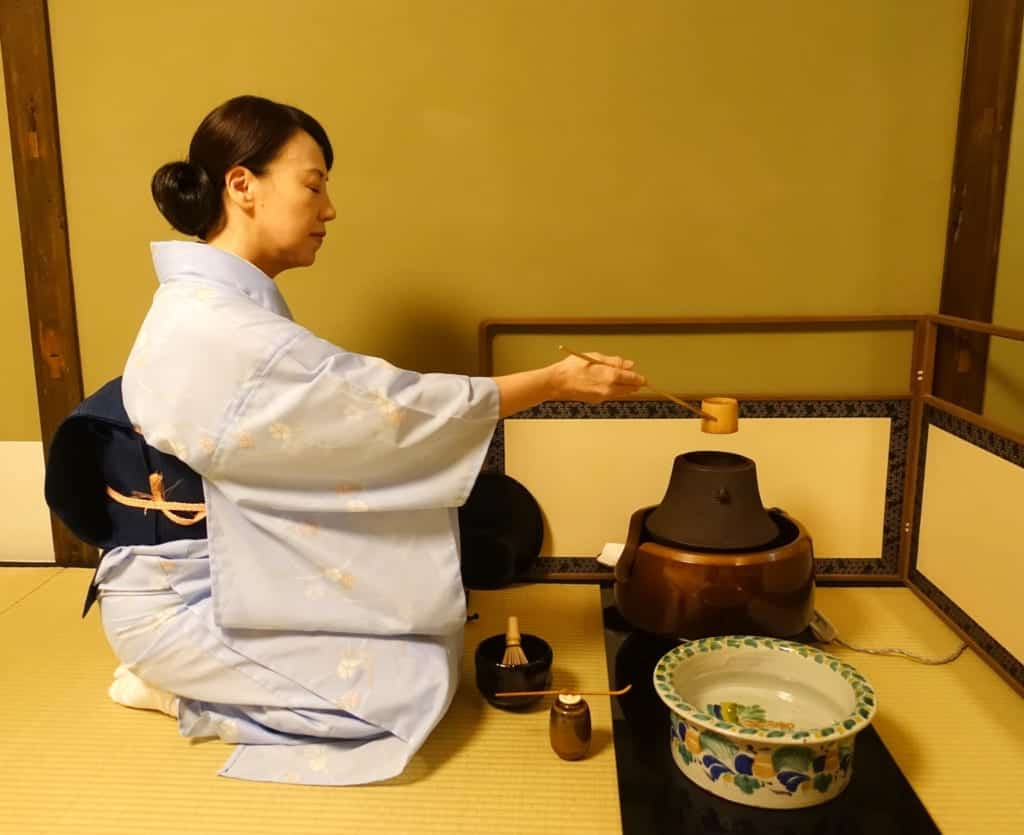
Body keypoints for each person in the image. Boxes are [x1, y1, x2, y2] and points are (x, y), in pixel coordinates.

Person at [96, 94, 646, 785]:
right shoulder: (214, 326)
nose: (329, 209)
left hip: (237, 566)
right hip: (182, 596)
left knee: (430, 650)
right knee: (392, 702)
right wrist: (553, 381)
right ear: (243, 185)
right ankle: (181, 695)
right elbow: (388, 413)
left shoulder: (220, 308)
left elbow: (341, 422)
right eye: (314, 183)